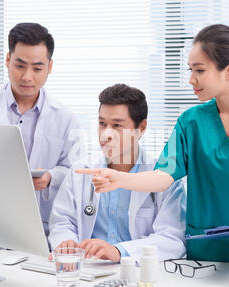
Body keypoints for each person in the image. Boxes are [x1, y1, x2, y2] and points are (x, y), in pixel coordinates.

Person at [77, 24, 229, 266]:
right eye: (190, 70)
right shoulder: (191, 122)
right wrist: (120, 179)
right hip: (212, 257)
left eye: (199, 71)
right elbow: (163, 176)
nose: (191, 80)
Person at [0, 23, 81, 239]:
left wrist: (51, 177)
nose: (27, 77)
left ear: (50, 67)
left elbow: (74, 171)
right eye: (20, 65)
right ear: (7, 60)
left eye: (37, 68)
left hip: (38, 228)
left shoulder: (65, 118)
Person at [48, 84, 186, 263]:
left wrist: (119, 251)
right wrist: (66, 243)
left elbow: (172, 239)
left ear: (141, 128)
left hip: (137, 273)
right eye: (102, 124)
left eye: (117, 125)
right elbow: (62, 222)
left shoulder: (162, 177)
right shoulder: (80, 171)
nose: (106, 134)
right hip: (87, 269)